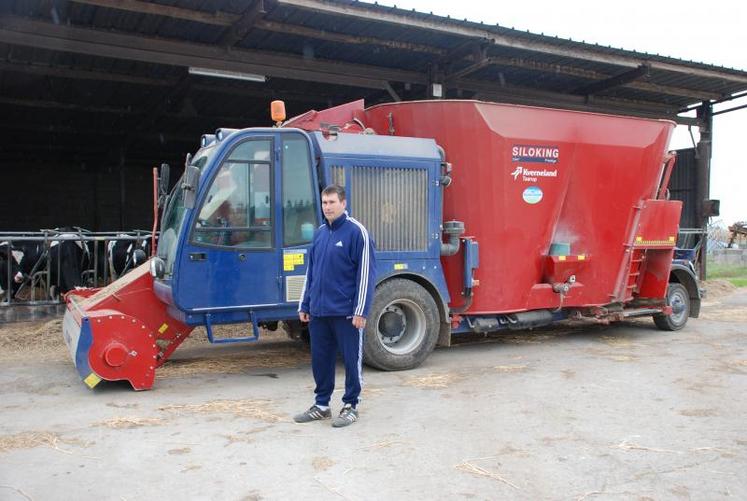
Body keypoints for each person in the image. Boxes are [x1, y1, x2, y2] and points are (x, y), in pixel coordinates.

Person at [294, 184, 376, 427]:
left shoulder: (356, 232)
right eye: (324, 203)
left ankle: (351, 405)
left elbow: (366, 274)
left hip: (346, 313)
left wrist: (361, 310)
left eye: (332, 202)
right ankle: (321, 405)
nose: (327, 207)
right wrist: (305, 304)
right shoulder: (319, 234)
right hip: (319, 312)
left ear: (343, 203)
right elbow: (312, 272)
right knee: (321, 359)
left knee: (351, 360)